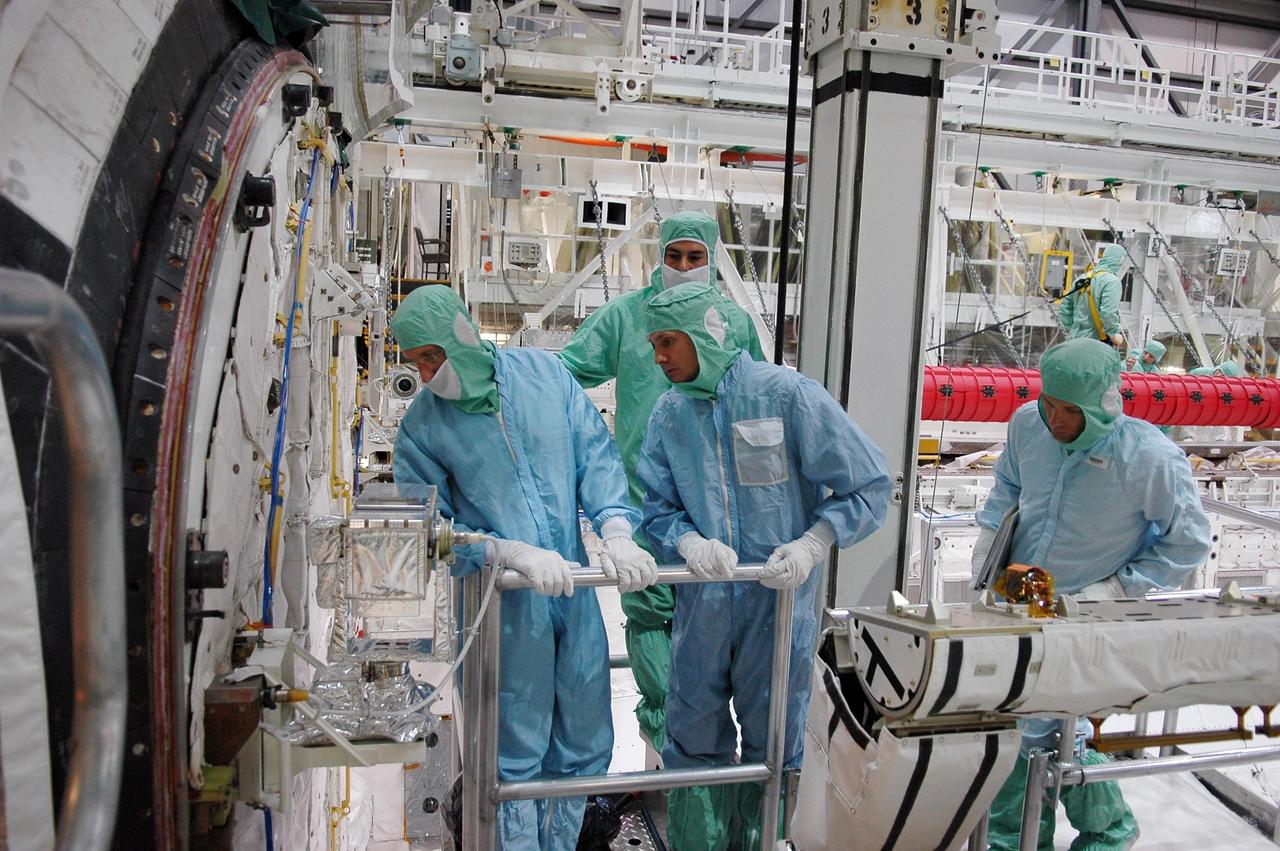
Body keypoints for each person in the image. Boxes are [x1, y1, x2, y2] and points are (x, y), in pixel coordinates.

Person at [390, 286, 657, 849]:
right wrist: (504, 552)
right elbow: (428, 528)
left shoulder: (545, 377)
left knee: (584, 741)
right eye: (414, 361)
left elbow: (595, 453)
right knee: (512, 757)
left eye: (431, 355)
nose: (425, 371)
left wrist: (615, 528)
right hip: (499, 608)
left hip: (572, 591)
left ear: (462, 334)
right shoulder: (421, 429)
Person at [637, 283, 892, 850]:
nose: (659, 357)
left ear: (707, 332)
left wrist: (812, 543)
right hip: (703, 608)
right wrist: (687, 543)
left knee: (774, 748)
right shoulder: (670, 415)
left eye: (668, 341)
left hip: (778, 610)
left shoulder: (786, 396)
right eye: (655, 343)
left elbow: (871, 484)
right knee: (692, 741)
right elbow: (655, 508)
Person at [973, 338, 1212, 851]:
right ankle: (1012, 837)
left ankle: (1109, 830)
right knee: (1015, 720)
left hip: (1087, 607)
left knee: (1054, 728)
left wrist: (1116, 590)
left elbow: (1188, 542)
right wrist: (987, 550)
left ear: (1104, 404)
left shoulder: (1148, 458)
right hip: (1021, 594)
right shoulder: (1026, 426)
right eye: (1050, 404)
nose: (1055, 420)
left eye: (1070, 411)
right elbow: (1007, 490)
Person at [558, 211, 766, 756]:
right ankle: (673, 743)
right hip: (642, 501)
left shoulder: (734, 323)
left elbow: (760, 400)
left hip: (718, 507)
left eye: (695, 258)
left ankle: (703, 761)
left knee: (717, 625)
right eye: (674, 256)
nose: (683, 267)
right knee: (651, 616)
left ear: (712, 259)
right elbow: (564, 374)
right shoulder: (628, 317)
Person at [1060, 245, 1127, 350]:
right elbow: (1108, 313)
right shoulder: (1112, 281)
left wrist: (1073, 330)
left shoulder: (1082, 278)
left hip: (1074, 341)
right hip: (1095, 345)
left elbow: (1065, 309)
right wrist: (1113, 334)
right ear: (1119, 261)